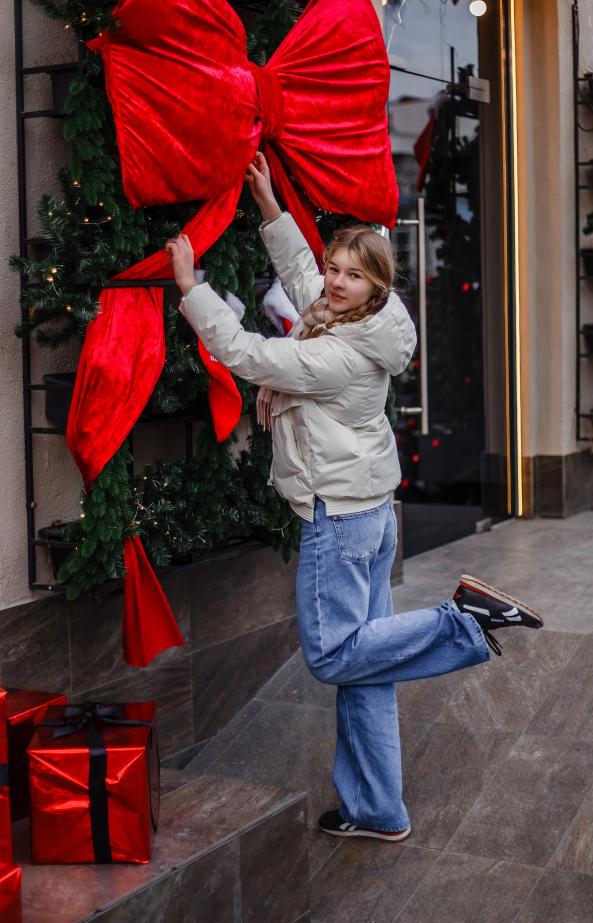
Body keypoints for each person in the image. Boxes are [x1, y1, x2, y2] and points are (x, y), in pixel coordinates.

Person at [166, 151, 543, 843]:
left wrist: (192, 288)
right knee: (367, 672)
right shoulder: (368, 320)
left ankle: (461, 620)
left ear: (376, 287)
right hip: (371, 512)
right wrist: (271, 208)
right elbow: (306, 282)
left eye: (351, 274)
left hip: (339, 520)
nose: (335, 282)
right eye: (336, 267)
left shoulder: (337, 355)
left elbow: (251, 355)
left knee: (333, 655)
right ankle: (378, 811)